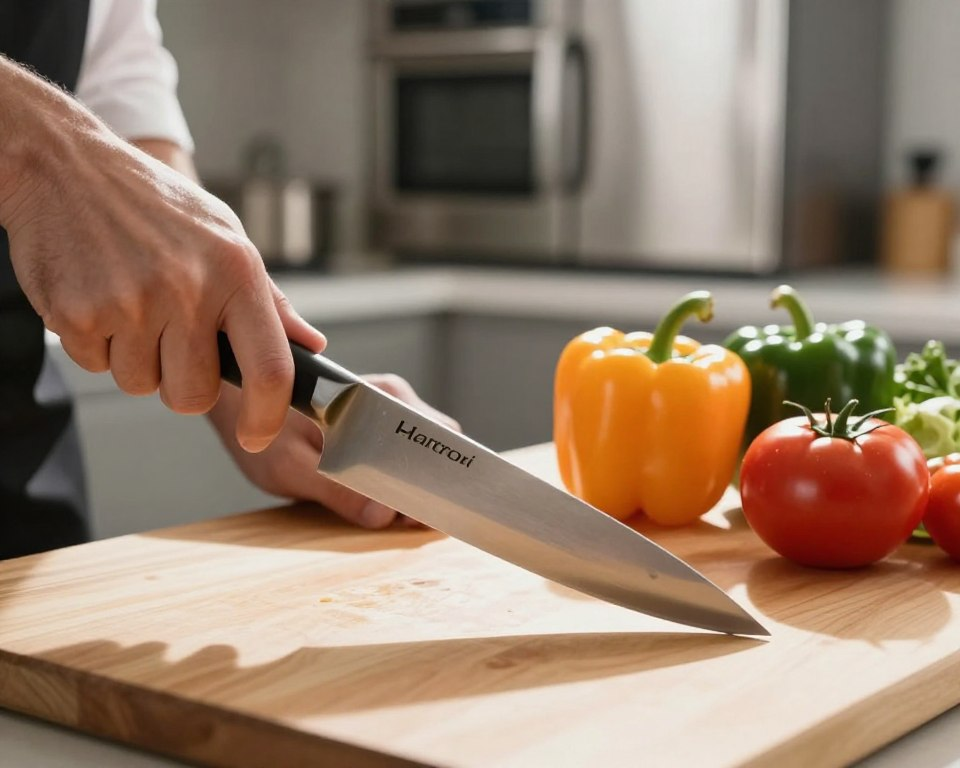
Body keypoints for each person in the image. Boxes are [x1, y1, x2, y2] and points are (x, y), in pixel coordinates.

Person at [0, 0, 455, 560]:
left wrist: (248, 373)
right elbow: (74, 153)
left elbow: (122, 88)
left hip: (21, 473)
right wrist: (40, 155)